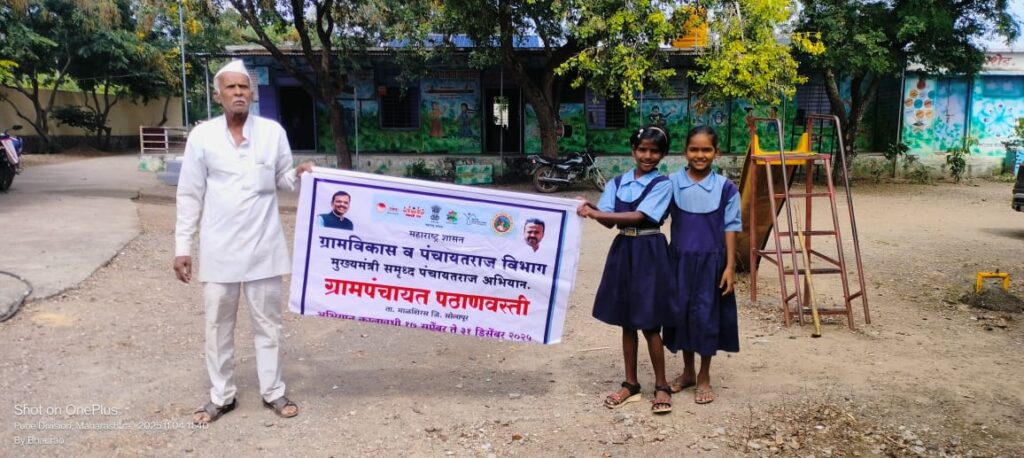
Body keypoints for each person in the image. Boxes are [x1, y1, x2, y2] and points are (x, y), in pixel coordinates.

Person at [174, 59, 313, 424]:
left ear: (252, 94)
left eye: (244, 87)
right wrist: (182, 247)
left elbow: (283, 179)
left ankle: (273, 391)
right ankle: (222, 396)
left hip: (264, 248)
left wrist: (299, 175)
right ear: (217, 95)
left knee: (269, 326)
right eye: (231, 88)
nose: (238, 93)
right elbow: (189, 194)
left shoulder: (272, 133)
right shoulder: (202, 136)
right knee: (217, 326)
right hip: (219, 250)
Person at [576, 125, 675, 415]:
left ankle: (662, 385)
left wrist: (595, 211)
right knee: (627, 321)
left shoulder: (663, 184)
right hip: (624, 251)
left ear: (663, 154)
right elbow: (609, 221)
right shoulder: (618, 183)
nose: (647, 155)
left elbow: (640, 216)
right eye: (642, 149)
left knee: (650, 323)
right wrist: (591, 208)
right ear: (633, 150)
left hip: (649, 251)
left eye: (654, 151)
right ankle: (631, 384)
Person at [662, 126, 741, 405]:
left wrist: (730, 267)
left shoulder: (726, 188)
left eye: (706, 149)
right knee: (681, 315)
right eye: (694, 149)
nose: (700, 155)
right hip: (679, 262)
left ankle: (704, 375)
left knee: (707, 317)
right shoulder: (671, 183)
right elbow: (651, 213)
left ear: (716, 152)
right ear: (685, 151)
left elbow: (731, 227)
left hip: (712, 264)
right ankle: (688, 372)